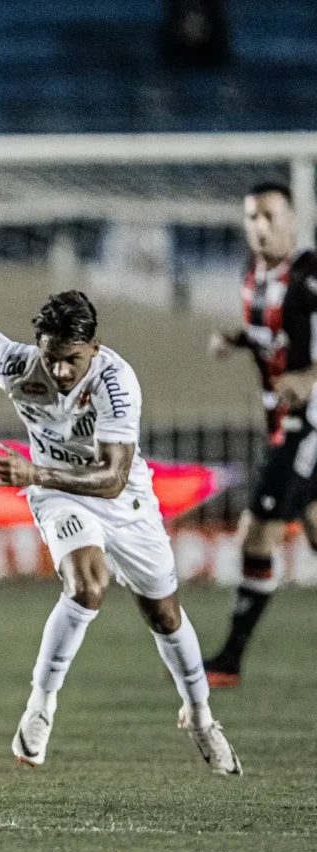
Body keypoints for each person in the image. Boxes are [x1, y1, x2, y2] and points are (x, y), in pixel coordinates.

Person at [0, 290, 242, 775]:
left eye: (72, 360)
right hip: (58, 495)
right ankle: (40, 707)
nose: (62, 372)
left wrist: (32, 474)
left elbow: (112, 479)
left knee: (165, 614)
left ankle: (200, 716)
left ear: (94, 348)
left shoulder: (117, 382)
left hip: (123, 499)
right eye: (52, 359)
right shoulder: (16, 363)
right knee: (87, 586)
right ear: (38, 347)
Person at [204, 182, 317, 688]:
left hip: (308, 426)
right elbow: (273, 338)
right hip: (281, 425)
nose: (261, 226)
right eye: (252, 217)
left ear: (294, 220)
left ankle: (228, 660)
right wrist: (237, 337)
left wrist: (309, 378)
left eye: (271, 216)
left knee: (256, 533)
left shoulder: (310, 279)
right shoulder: (254, 275)